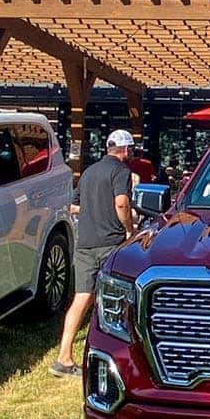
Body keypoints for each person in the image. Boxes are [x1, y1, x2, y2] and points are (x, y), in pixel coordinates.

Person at [51, 129, 138, 377]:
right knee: (114, 299)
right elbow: (121, 203)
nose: (131, 153)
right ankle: (113, 354)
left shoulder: (89, 172)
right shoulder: (121, 172)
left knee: (81, 298)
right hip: (110, 243)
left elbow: (74, 206)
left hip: (85, 242)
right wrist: (130, 230)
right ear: (124, 150)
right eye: (130, 149)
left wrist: (94, 211)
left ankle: (64, 357)